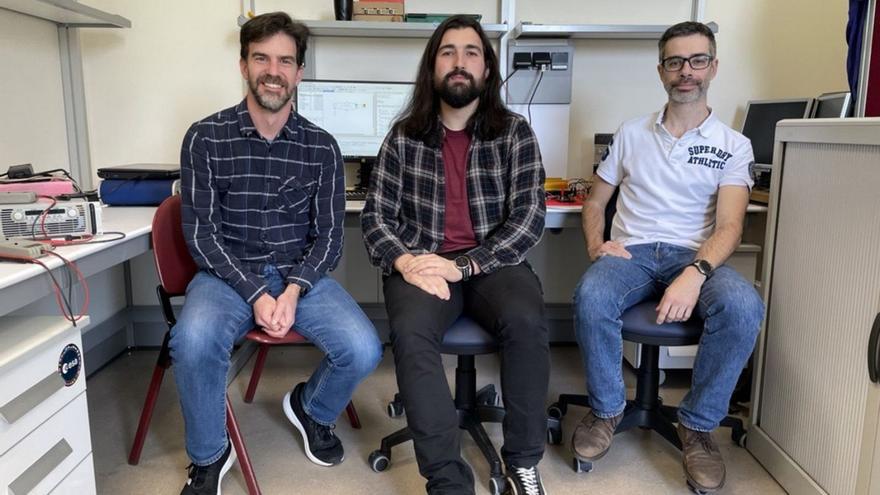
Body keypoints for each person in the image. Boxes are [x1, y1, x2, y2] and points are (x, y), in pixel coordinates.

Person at [172, 12, 382, 495]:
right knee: (193, 341)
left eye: (285, 60)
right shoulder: (205, 138)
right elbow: (201, 235)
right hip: (225, 274)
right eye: (261, 57)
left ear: (300, 72)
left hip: (296, 275)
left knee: (364, 347)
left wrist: (290, 291)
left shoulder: (321, 147)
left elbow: (330, 237)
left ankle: (311, 408)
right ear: (243, 65)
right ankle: (209, 453)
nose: (274, 70)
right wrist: (254, 292)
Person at [570, 21, 764, 494]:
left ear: (713, 67)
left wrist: (695, 274)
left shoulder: (733, 146)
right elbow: (595, 202)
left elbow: (731, 226)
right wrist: (597, 247)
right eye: (675, 62)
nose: (686, 72)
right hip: (632, 252)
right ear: (661, 71)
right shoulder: (631, 132)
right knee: (590, 294)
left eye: (698, 60)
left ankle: (697, 426)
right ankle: (607, 410)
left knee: (743, 306)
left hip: (696, 255)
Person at [361, 15, 550, 495]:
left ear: (487, 69)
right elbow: (375, 216)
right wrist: (405, 262)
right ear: (432, 67)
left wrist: (466, 264)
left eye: (471, 52)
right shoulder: (404, 136)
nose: (459, 62)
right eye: (448, 52)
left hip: (492, 263)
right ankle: (447, 480)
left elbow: (529, 217)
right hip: (421, 263)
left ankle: (523, 462)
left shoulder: (514, 133)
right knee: (410, 331)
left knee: (527, 322)